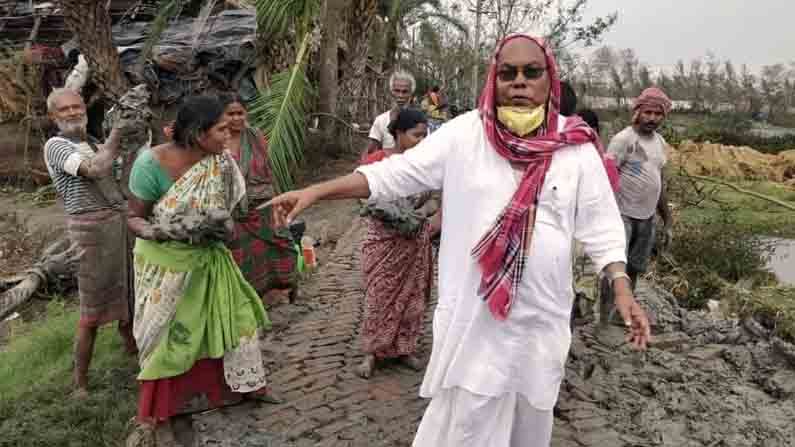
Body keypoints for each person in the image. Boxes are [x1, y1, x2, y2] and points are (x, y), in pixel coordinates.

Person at [264, 34, 651, 446]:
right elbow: (393, 175)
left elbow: (602, 226)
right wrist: (317, 191)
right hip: (476, 319)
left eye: (531, 72)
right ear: (494, 79)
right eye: (508, 73)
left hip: (540, 320)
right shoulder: (466, 134)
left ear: (549, 79)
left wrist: (622, 288)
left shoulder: (574, 149)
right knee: (469, 423)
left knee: (529, 423)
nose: (519, 82)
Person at [126, 96, 279, 444]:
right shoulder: (151, 164)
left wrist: (221, 226)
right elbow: (134, 216)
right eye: (222, 129)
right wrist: (160, 231)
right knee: (170, 340)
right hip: (165, 268)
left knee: (237, 324)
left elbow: (233, 212)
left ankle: (232, 391)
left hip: (208, 261)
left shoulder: (221, 164)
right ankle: (167, 413)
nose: (230, 134)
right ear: (197, 133)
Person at [43, 88, 136, 397]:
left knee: (128, 292)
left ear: (84, 108)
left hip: (117, 223)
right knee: (92, 309)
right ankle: (80, 384)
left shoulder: (92, 142)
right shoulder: (56, 145)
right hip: (90, 231)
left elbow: (119, 179)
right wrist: (118, 133)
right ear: (53, 117)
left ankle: (133, 353)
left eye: (76, 106)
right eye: (64, 109)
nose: (72, 112)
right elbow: (95, 170)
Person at [357, 109, 442, 379]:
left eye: (424, 135)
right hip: (383, 240)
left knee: (413, 297)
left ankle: (405, 348)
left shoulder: (427, 167)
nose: (422, 140)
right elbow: (363, 195)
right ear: (398, 134)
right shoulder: (378, 161)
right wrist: (388, 212)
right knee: (378, 295)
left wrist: (422, 212)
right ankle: (372, 351)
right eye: (416, 135)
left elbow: (435, 198)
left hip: (414, 239)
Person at [218, 93, 299, 303]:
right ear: (222, 116)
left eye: (240, 113)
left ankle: (281, 290)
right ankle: (249, 301)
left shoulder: (255, 135)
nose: (236, 118)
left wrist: (279, 201)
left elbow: (268, 168)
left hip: (262, 207)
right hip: (233, 213)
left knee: (283, 245)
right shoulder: (217, 140)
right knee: (242, 257)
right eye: (231, 114)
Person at [607, 87, 673, 290]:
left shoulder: (660, 143)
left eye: (658, 114)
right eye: (648, 112)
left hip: (647, 217)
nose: (652, 118)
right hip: (621, 215)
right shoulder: (623, 140)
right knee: (616, 268)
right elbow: (605, 179)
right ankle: (604, 317)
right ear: (638, 112)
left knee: (635, 267)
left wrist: (667, 217)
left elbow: (658, 182)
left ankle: (623, 313)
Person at [362, 70, 416, 161]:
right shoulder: (381, 120)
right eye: (397, 91)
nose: (400, 95)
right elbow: (370, 151)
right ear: (391, 92)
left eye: (405, 92)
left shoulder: (419, 122)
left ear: (411, 93)